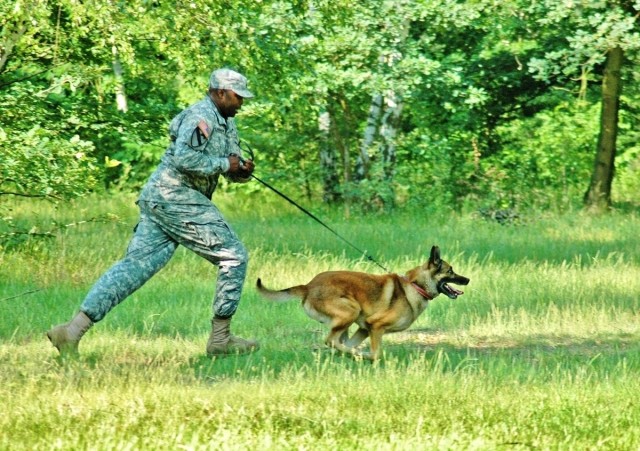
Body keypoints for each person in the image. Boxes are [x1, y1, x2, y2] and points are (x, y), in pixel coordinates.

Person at [47, 68, 259, 357]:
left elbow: (226, 163)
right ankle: (220, 339)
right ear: (220, 93)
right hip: (175, 197)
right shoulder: (202, 117)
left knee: (134, 268)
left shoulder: (226, 122)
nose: (241, 103)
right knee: (233, 256)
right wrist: (225, 165)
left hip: (163, 199)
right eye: (237, 97)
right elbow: (185, 159)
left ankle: (70, 332)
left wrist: (241, 171)